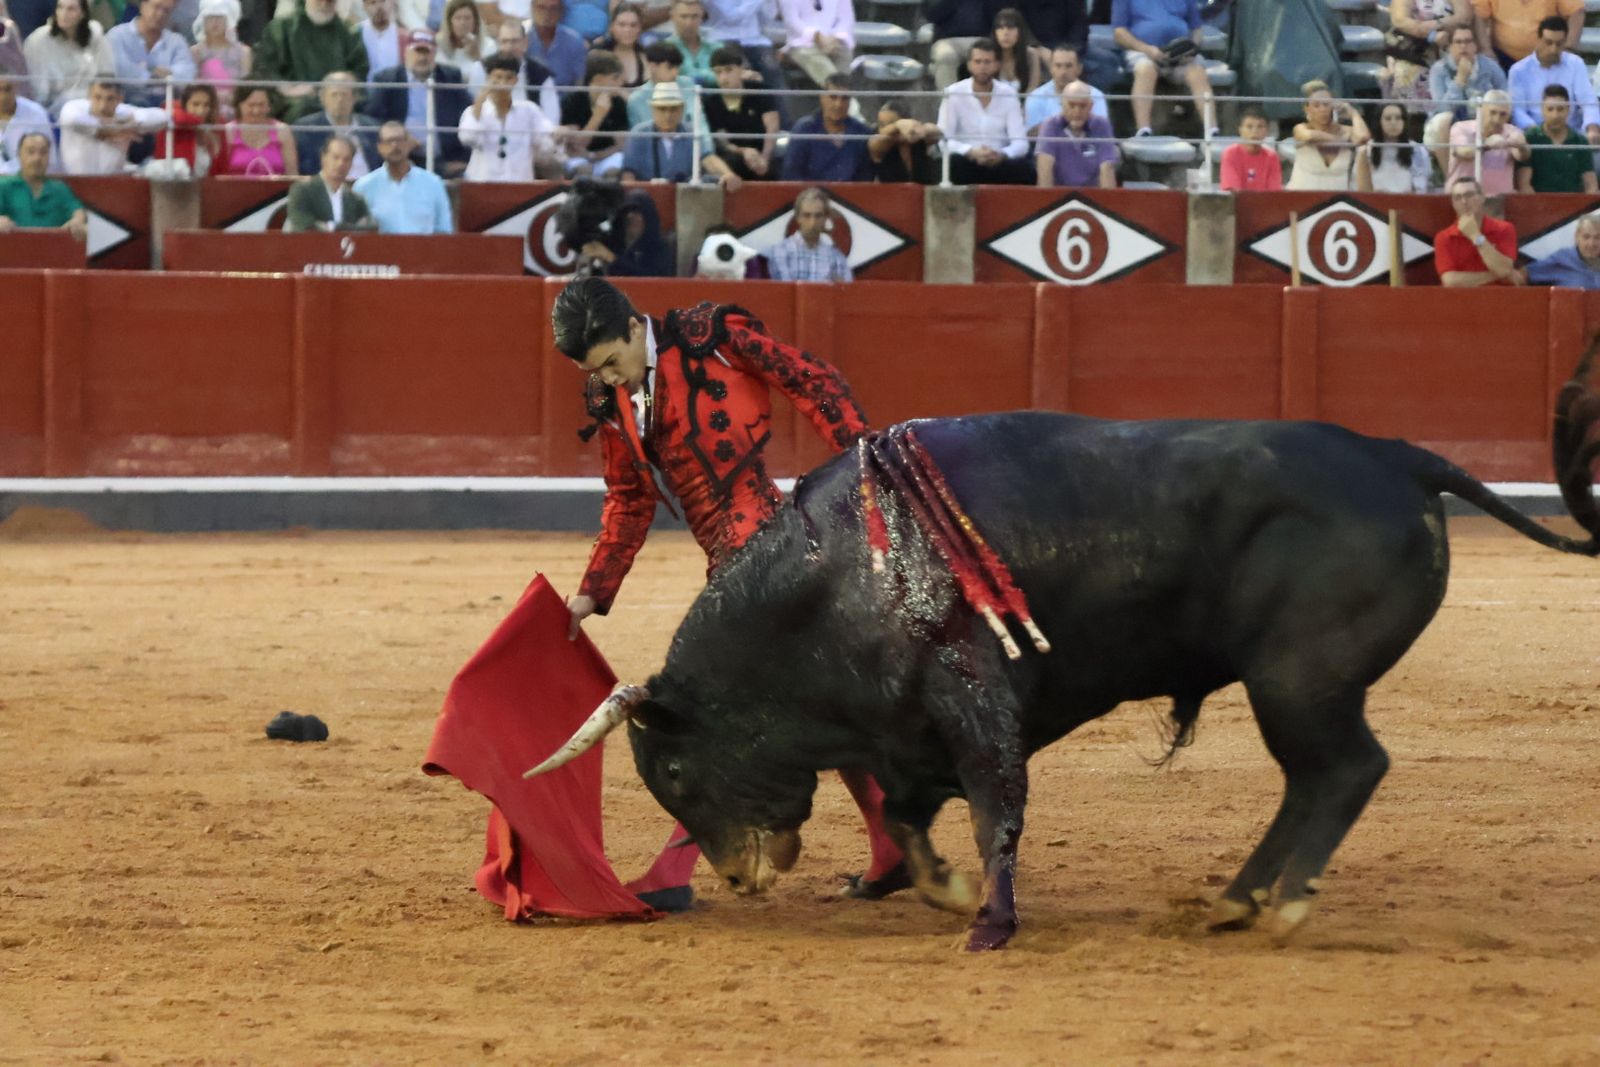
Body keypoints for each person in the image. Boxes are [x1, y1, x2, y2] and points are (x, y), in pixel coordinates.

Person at [549, 274, 904, 905]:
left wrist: (862, 470)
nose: (609, 380)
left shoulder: (709, 339)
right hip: (729, 569)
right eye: (596, 371)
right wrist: (589, 593)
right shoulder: (614, 403)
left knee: (715, 715)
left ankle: (672, 874)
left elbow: (811, 378)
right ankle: (893, 848)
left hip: (775, 550)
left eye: (612, 362)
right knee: (818, 702)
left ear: (634, 329)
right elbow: (630, 501)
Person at [368, 29, 472, 174]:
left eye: (427, 52)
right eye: (417, 51)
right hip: (402, 156)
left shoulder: (450, 77)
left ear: (434, 55)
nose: (422, 58)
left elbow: (468, 114)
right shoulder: (388, 80)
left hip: (448, 157)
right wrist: (401, 135)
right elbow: (373, 119)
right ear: (406, 53)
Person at [1111, 0, 1214, 139]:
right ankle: (1143, 130)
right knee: (1145, 69)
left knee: (1197, 72)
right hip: (1143, 51)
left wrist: (1191, 50)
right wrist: (1146, 49)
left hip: (1180, 55)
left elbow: (1196, 29)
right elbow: (1119, 32)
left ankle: (1212, 130)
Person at [253, 0, 368, 121]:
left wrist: (340, 87)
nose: (324, 4)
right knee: (303, 108)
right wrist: (288, 89)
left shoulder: (347, 31)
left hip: (339, 95)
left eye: (330, 1)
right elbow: (264, 68)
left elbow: (360, 70)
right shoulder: (281, 28)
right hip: (294, 99)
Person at [937, 38, 1030, 185]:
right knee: (953, 163)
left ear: (997, 65)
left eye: (987, 62)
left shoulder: (1009, 94)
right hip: (966, 161)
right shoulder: (953, 93)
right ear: (969, 65)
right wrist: (971, 152)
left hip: (999, 162)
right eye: (977, 62)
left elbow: (1021, 143)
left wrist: (1002, 154)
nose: (982, 67)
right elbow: (943, 140)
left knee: (1025, 169)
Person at [458, 50, 562, 179]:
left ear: (516, 80)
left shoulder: (529, 110)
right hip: (483, 185)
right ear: (488, 78)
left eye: (508, 78)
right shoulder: (472, 111)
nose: (503, 84)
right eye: (498, 77)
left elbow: (546, 143)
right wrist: (479, 102)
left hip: (519, 185)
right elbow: (467, 138)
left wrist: (557, 135)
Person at [620, 77, 739, 187]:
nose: (668, 115)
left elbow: (707, 158)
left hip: (685, 197)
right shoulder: (639, 133)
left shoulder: (691, 132)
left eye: (673, 109)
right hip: (648, 195)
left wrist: (727, 173)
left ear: (682, 109)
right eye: (662, 109)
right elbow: (629, 173)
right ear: (653, 109)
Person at [1424, 25, 1507, 172]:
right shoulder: (1439, 70)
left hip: (1484, 120)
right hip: (1453, 122)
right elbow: (1441, 108)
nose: (1463, 46)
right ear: (1450, 46)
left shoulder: (1490, 67)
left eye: (1468, 41)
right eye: (1458, 42)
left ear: (1475, 45)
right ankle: (1448, 176)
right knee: (1441, 120)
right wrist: (1460, 79)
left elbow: (1505, 96)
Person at [1506, 16, 1600, 142]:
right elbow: (1517, 111)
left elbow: (1587, 100)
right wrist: (1539, 133)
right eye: (1548, 42)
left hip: (1572, 135)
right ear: (1538, 40)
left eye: (1559, 44)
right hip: (1534, 135)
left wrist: (1592, 127)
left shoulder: (1576, 64)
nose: (1553, 49)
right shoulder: (1519, 70)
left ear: (1565, 41)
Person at [352, 119, 453, 231]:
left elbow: (444, 231)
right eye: (389, 141)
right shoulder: (363, 187)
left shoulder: (433, 184)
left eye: (399, 140)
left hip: (423, 248)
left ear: (409, 144)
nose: (395, 146)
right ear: (380, 148)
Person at [57, 76, 167, 173]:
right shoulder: (74, 107)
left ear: (120, 99)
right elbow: (71, 119)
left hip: (112, 184)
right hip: (72, 184)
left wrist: (131, 121)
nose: (102, 106)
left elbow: (164, 117)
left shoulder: (123, 113)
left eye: (110, 99)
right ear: (89, 95)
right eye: (97, 97)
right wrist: (111, 130)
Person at [23, 0, 113, 117]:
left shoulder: (95, 35)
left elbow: (108, 75)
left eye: (71, 9)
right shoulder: (38, 40)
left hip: (97, 103)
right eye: (60, 7)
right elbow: (38, 91)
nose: (64, 14)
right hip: (57, 109)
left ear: (82, 13)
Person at [783, 72, 875, 182]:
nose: (838, 104)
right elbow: (791, 175)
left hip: (852, 197)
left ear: (850, 101)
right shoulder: (804, 129)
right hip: (811, 196)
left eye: (845, 98)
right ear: (822, 98)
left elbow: (866, 177)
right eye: (833, 97)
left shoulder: (862, 132)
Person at [702, 43, 775, 180]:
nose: (723, 78)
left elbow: (772, 127)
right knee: (733, 163)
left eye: (729, 70)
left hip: (762, 150)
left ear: (740, 69)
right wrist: (744, 151)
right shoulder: (711, 101)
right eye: (718, 72)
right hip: (733, 152)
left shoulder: (761, 90)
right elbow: (721, 140)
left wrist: (765, 157)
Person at [1380, 0, 1472, 109]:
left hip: (1453, 47)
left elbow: (1464, 17)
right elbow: (1400, 20)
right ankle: (1414, 119)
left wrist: (1437, 24)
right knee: (1405, 74)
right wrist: (1431, 35)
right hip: (1414, 53)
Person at [104, 0, 196, 107]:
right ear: (143, 5)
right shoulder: (117, 36)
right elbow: (120, 70)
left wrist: (145, 73)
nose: (160, 14)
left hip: (165, 108)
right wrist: (156, 75)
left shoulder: (177, 41)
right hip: (121, 104)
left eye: (166, 10)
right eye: (156, 7)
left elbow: (186, 76)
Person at [291, 70, 380, 176]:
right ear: (323, 98)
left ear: (354, 98)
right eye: (334, 95)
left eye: (344, 95)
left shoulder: (372, 127)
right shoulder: (306, 129)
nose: (339, 100)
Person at [1435, 175, 1519, 285]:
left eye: (1469, 195)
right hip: (1461, 300)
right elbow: (1450, 281)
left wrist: (1475, 235)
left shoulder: (1504, 229)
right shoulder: (1444, 237)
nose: (1464, 201)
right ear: (1453, 203)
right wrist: (1497, 274)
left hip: (1499, 298)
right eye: (1458, 198)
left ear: (1482, 197)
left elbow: (1503, 269)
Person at [1287, 79, 1369, 191]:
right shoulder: (1301, 128)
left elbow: (1363, 138)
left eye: (1326, 104)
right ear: (1307, 109)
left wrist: (1353, 113)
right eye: (1316, 105)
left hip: (1337, 203)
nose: (1323, 109)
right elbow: (1309, 136)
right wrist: (1343, 141)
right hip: (1300, 199)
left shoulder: (1346, 131)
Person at [0, 130, 86, 236]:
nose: (37, 158)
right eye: (31, 152)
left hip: (53, 250)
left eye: (43, 152)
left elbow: (77, 211)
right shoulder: (4, 186)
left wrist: (77, 221)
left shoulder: (60, 189)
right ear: (19, 155)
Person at [286, 133, 376, 231]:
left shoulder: (355, 199)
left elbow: (368, 227)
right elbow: (303, 225)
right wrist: (338, 228)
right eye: (335, 157)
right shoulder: (302, 191)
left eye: (346, 159)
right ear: (323, 157)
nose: (340, 164)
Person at [1036, 80, 1116, 189]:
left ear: (1091, 106)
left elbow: (1106, 168)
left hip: (1092, 196)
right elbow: (1045, 168)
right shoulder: (1050, 125)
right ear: (1062, 104)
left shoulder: (1101, 125)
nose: (1077, 112)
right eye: (1072, 105)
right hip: (1059, 196)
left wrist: (1107, 201)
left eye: (1082, 106)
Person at [560, 47, 628, 175]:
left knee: (614, 171)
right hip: (576, 159)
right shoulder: (573, 100)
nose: (620, 83)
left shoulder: (618, 103)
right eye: (615, 78)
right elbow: (578, 146)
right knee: (583, 170)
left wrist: (593, 155)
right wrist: (598, 116)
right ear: (597, 78)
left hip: (604, 156)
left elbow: (620, 146)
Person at [1516, 84, 1596, 193]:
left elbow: (1590, 185)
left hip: (1576, 206)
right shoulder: (1530, 138)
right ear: (1542, 110)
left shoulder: (1580, 141)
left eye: (1560, 109)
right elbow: (1525, 186)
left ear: (1568, 109)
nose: (1555, 115)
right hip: (1538, 205)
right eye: (1550, 109)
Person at [1447, 88, 1527, 195]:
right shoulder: (1461, 128)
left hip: (1499, 201)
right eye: (1492, 112)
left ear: (1509, 115)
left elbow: (1522, 156)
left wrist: (1521, 145)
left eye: (1503, 114)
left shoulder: (1512, 131)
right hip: (1464, 199)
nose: (1497, 119)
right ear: (1482, 109)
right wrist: (1486, 145)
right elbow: (1464, 152)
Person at [578, 184, 671, 274]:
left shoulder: (659, 248)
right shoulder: (613, 243)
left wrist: (612, 259)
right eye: (627, 211)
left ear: (648, 217)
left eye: (637, 212)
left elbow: (652, 278)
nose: (630, 216)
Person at [767, 185, 852, 281]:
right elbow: (785, 291)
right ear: (798, 218)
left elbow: (846, 291)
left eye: (818, 216)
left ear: (825, 218)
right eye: (807, 215)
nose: (813, 222)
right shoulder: (781, 252)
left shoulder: (836, 257)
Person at [1025, 44, 1105, 135]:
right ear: (1051, 68)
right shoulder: (1037, 96)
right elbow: (1032, 134)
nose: (1063, 72)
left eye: (1068, 66)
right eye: (1058, 66)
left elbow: (1100, 131)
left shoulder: (1096, 95)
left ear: (1079, 69)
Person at [188, 0, 249, 116]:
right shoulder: (195, 52)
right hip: (203, 109)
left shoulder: (244, 52)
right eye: (210, 17)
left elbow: (246, 90)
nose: (214, 22)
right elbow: (191, 88)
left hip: (235, 109)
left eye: (220, 17)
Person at [221, 82, 298, 173]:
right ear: (239, 105)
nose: (256, 111)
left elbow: (292, 173)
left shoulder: (282, 131)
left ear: (269, 105)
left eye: (261, 105)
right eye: (251, 105)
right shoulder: (228, 131)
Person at [625, 38, 702, 129]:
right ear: (652, 66)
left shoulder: (687, 84)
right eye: (670, 67)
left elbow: (700, 123)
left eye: (677, 67)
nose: (675, 73)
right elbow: (639, 136)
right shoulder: (636, 99)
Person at [1473, 0, 1579, 66]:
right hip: (1502, 57)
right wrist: (1486, 48)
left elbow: (1576, 12)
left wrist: (1568, 48)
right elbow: (1478, 14)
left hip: (1545, 57)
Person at [491, 18, 558, 122]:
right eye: (504, 42)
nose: (509, 47)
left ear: (525, 42)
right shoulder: (483, 68)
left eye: (514, 41)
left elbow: (552, 117)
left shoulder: (541, 74)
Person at [149, 80, 221, 175]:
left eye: (206, 105)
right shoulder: (172, 125)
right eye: (195, 104)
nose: (201, 111)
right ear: (184, 105)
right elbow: (173, 113)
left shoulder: (212, 135)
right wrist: (197, 122)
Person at [776, 0, 850, 92]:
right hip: (800, 44)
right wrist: (816, 36)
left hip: (831, 41)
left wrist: (834, 37)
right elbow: (792, 22)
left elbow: (845, 18)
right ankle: (846, 101)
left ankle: (842, 96)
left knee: (844, 52)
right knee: (816, 60)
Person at [1357, 101, 1431, 194]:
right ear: (1379, 122)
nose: (1393, 123)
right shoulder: (1367, 150)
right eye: (1388, 119)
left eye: (1398, 118)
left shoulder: (1418, 150)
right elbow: (1363, 191)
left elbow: (1421, 189)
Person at [868, 97, 940, 184]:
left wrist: (921, 129)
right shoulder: (878, 141)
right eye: (882, 125)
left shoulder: (917, 140)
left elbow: (936, 133)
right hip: (890, 194)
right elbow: (876, 144)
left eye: (890, 123)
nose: (884, 129)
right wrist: (896, 126)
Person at [926, 0, 990, 92]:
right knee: (945, 56)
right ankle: (949, 103)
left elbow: (998, 13)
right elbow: (931, 15)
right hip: (947, 40)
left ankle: (987, 103)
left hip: (983, 38)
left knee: (987, 54)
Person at [1526, 211, 1600, 287]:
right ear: (1577, 237)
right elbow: (1525, 274)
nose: (1591, 243)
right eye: (1586, 237)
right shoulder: (1562, 258)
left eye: (1597, 237)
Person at [1218, 105, 1281, 191]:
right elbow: (1231, 190)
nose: (1255, 131)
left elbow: (1274, 192)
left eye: (1260, 127)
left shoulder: (1272, 157)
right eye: (1249, 126)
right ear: (1240, 130)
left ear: (1267, 131)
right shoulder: (1230, 154)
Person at [0, 73, 51, 175]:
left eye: (7, 89)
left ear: (16, 87)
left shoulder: (36, 113)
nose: (3, 96)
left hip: (26, 184)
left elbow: (49, 159)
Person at [525, 0, 584, 86]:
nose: (547, 13)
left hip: (564, 97)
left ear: (560, 11)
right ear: (532, 8)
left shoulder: (574, 41)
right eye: (541, 7)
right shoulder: (521, 38)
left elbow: (579, 81)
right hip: (527, 96)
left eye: (553, 8)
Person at [436, 0, 491, 89]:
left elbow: (492, 78)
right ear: (450, 22)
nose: (463, 23)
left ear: (475, 21)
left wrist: (477, 57)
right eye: (458, 18)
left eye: (467, 18)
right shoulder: (438, 45)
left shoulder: (489, 45)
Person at [991, 6, 1044, 94]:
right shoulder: (990, 55)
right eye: (1000, 28)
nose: (1005, 33)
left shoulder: (1030, 55)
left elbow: (1033, 90)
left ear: (1020, 31)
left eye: (1010, 28)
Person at [592, 0, 644, 88]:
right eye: (622, 25)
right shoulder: (598, 53)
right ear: (612, 27)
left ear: (640, 28)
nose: (627, 30)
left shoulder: (645, 55)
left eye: (633, 25)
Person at [663, 0, 715, 86]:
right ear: (673, 17)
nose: (689, 23)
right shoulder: (665, 49)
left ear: (701, 17)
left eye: (694, 16)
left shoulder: (715, 47)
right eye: (684, 17)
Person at [357, 0, 403, 76]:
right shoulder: (356, 35)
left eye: (383, 1)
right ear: (364, 6)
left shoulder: (402, 37)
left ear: (392, 2)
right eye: (373, 2)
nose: (379, 7)